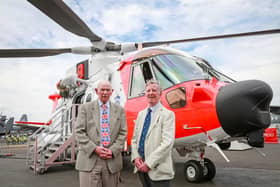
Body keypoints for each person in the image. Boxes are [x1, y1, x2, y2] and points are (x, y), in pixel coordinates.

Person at [75, 80, 127, 187]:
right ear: (96, 91)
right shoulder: (85, 108)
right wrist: (95, 149)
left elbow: (123, 133)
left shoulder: (120, 110)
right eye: (102, 90)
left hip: (111, 161)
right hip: (90, 159)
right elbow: (79, 131)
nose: (105, 92)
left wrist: (112, 150)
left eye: (107, 90)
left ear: (111, 92)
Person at [131, 80, 175, 187]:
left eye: (154, 90)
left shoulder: (168, 115)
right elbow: (134, 139)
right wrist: (136, 158)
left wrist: (149, 164)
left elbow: (167, 143)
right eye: (148, 90)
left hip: (158, 171)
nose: (151, 93)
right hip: (140, 167)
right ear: (145, 93)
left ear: (160, 93)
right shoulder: (141, 114)